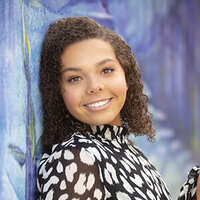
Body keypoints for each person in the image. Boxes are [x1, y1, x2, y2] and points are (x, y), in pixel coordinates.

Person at [36, 16, 199, 200]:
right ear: (58, 92)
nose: (94, 86)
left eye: (106, 70)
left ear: (126, 76)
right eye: (75, 78)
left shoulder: (127, 151)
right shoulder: (74, 159)